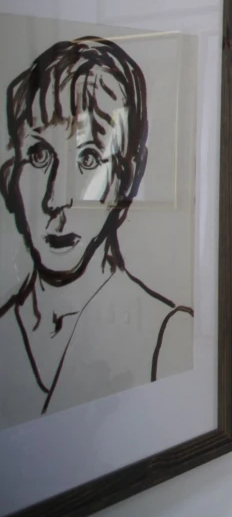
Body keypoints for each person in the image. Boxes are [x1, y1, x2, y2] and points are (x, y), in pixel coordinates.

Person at [0, 38, 191, 430]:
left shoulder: (168, 334)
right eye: (39, 155)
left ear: (127, 177)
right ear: (10, 177)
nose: (56, 199)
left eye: (88, 158)